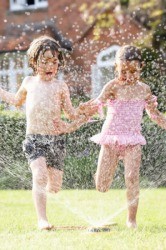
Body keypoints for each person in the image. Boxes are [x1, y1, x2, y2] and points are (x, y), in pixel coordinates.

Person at [88, 45, 166, 228]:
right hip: (111, 138)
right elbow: (96, 104)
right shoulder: (112, 86)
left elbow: (155, 114)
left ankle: (131, 220)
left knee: (132, 177)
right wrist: (79, 114)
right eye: (123, 71)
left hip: (133, 139)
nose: (128, 76)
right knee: (102, 186)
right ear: (116, 68)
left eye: (133, 71)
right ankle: (99, 175)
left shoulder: (144, 90)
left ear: (141, 66)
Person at [0, 35, 95, 230]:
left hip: (56, 140)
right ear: (34, 62)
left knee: (55, 186)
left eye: (55, 61)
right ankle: (42, 220)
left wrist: (83, 113)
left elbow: (70, 113)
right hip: (34, 139)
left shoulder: (60, 86)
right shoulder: (28, 82)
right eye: (45, 61)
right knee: (40, 175)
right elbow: (16, 101)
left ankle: (48, 192)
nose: (51, 65)